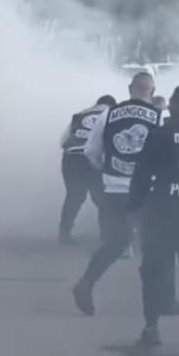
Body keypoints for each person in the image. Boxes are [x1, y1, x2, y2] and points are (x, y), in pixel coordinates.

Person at [72, 71, 160, 315]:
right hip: (147, 191)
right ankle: (157, 302)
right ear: (152, 92)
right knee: (157, 244)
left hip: (114, 188)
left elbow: (90, 151)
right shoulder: (160, 116)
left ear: (130, 88)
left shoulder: (108, 114)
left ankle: (86, 282)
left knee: (115, 243)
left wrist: (107, 170)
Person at [129, 84, 179, 346]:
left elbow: (141, 176)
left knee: (152, 274)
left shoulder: (159, 135)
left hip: (162, 213)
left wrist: (133, 209)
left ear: (173, 106)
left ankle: (151, 329)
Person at [58, 94, 116, 245]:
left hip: (71, 158)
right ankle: (108, 235)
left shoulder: (79, 114)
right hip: (93, 159)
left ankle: (64, 232)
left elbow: (62, 141)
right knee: (102, 198)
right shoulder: (112, 115)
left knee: (74, 196)